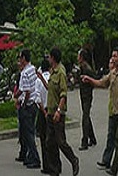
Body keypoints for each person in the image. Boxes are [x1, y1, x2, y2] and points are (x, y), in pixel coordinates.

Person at [82, 48, 118, 176]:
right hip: (113, 112)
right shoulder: (112, 73)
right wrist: (89, 80)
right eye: (112, 56)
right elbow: (101, 83)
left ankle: (114, 169)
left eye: (115, 56)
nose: (113, 58)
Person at [39, 47, 79, 176]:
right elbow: (50, 88)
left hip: (57, 113)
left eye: (50, 57)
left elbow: (63, 94)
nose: (48, 59)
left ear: (53, 58)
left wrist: (58, 110)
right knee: (50, 142)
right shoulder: (53, 72)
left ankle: (74, 160)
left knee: (61, 141)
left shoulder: (60, 72)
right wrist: (41, 78)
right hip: (50, 112)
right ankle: (55, 169)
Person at [15, 49, 41, 169]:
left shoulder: (25, 73)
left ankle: (35, 158)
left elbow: (26, 91)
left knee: (28, 134)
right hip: (34, 104)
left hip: (28, 105)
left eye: (20, 58)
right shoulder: (33, 69)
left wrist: (23, 103)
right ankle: (29, 156)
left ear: (24, 58)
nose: (19, 60)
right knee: (29, 132)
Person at [77, 49, 97, 150]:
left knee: (85, 117)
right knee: (86, 116)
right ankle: (92, 138)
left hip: (87, 95)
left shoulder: (87, 69)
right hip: (84, 95)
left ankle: (84, 140)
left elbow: (94, 80)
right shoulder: (82, 67)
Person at [35, 57, 51, 175]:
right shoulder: (52, 78)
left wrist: (43, 112)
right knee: (52, 139)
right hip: (51, 109)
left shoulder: (39, 80)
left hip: (43, 111)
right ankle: (55, 164)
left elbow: (38, 99)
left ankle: (46, 165)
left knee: (43, 138)